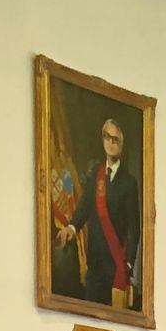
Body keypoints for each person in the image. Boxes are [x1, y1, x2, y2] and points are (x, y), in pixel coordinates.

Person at [58, 116, 142, 309]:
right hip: (95, 263)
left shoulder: (129, 183)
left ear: (121, 144)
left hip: (116, 267)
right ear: (102, 139)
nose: (111, 143)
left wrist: (128, 263)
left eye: (116, 139)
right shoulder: (96, 174)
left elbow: (133, 227)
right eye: (107, 137)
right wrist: (72, 227)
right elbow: (85, 207)